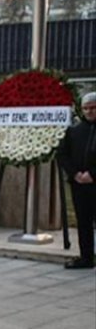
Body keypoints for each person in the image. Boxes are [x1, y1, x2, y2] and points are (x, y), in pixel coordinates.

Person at [58, 92, 96, 269]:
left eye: (93, 108)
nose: (89, 111)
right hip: (79, 184)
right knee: (83, 221)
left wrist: (92, 174)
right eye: (86, 108)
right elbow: (63, 155)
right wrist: (75, 174)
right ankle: (86, 257)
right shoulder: (74, 131)